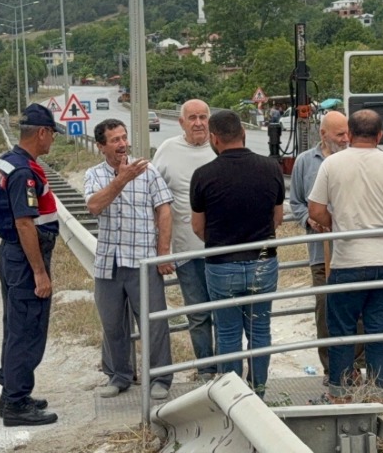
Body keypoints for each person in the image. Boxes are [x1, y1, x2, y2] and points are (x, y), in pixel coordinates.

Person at [308, 109, 383, 399]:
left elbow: (315, 210)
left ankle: (339, 392)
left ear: (351, 134)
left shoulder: (332, 164)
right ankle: (376, 393)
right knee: (378, 329)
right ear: (380, 135)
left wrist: (339, 224)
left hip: (347, 260)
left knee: (342, 328)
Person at [191, 109, 286, 393]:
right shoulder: (271, 168)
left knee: (228, 332)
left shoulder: (203, 175)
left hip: (221, 265)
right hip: (263, 262)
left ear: (214, 138)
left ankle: (233, 394)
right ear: (243, 134)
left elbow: (198, 227)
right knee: (259, 330)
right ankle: (258, 390)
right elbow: (277, 218)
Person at [84, 118, 176, 400]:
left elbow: (164, 210)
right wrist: (121, 180)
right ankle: (119, 375)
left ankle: (160, 378)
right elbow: (94, 206)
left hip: (143, 260)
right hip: (109, 262)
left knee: (154, 322)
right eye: (115, 140)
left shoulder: (147, 171)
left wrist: (163, 253)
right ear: (101, 146)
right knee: (112, 323)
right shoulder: (95, 174)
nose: (122, 144)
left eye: (124, 138)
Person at [0, 104, 61, 427]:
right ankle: (16, 403)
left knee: (14, 326)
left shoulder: (7, 160)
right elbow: (25, 224)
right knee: (27, 330)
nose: (52, 141)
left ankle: (12, 393)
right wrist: (40, 272)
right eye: (52, 135)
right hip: (25, 257)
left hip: (12, 256)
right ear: (42, 133)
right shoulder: (23, 172)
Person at [286, 110, 357, 375]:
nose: (346, 138)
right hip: (321, 253)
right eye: (340, 134)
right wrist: (309, 220)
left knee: (356, 309)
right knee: (325, 310)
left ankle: (356, 367)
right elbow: (296, 202)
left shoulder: (355, 158)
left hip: (353, 250)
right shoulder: (305, 162)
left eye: (348, 132)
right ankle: (332, 370)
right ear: (323, 134)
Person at [151, 99, 218, 378]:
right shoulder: (167, 151)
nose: (198, 123)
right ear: (181, 122)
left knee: (226, 313)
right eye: (192, 118)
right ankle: (206, 369)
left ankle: (229, 369)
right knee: (198, 314)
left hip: (222, 250)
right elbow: (154, 196)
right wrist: (162, 247)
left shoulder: (220, 148)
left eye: (203, 117)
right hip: (186, 251)